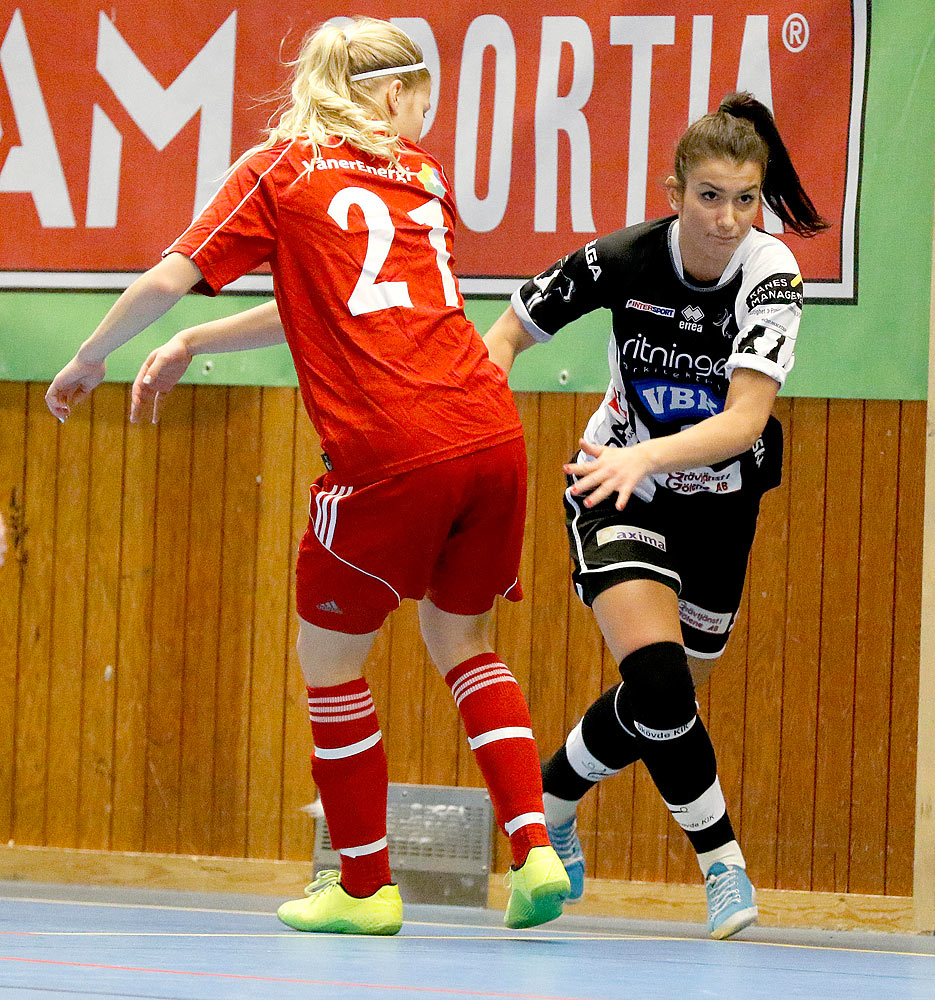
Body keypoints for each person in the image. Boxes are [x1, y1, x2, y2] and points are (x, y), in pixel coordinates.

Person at [44, 16, 570, 935]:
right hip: (490, 433)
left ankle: (364, 889)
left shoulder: (280, 168)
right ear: (394, 95)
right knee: (465, 644)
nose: (425, 120)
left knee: (329, 665)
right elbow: (331, 299)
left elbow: (172, 273)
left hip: (392, 447)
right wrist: (200, 338)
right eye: (425, 102)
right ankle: (531, 853)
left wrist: (91, 358)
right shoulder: (421, 179)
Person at [482, 92, 828, 939]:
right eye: (709, 196)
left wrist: (651, 453)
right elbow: (504, 337)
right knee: (664, 684)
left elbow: (744, 420)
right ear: (673, 192)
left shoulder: (769, 271)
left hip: (719, 509)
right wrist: (476, 437)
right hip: (615, 486)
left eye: (745, 198)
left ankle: (553, 799)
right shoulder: (621, 260)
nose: (727, 217)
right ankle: (723, 867)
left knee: (659, 701)